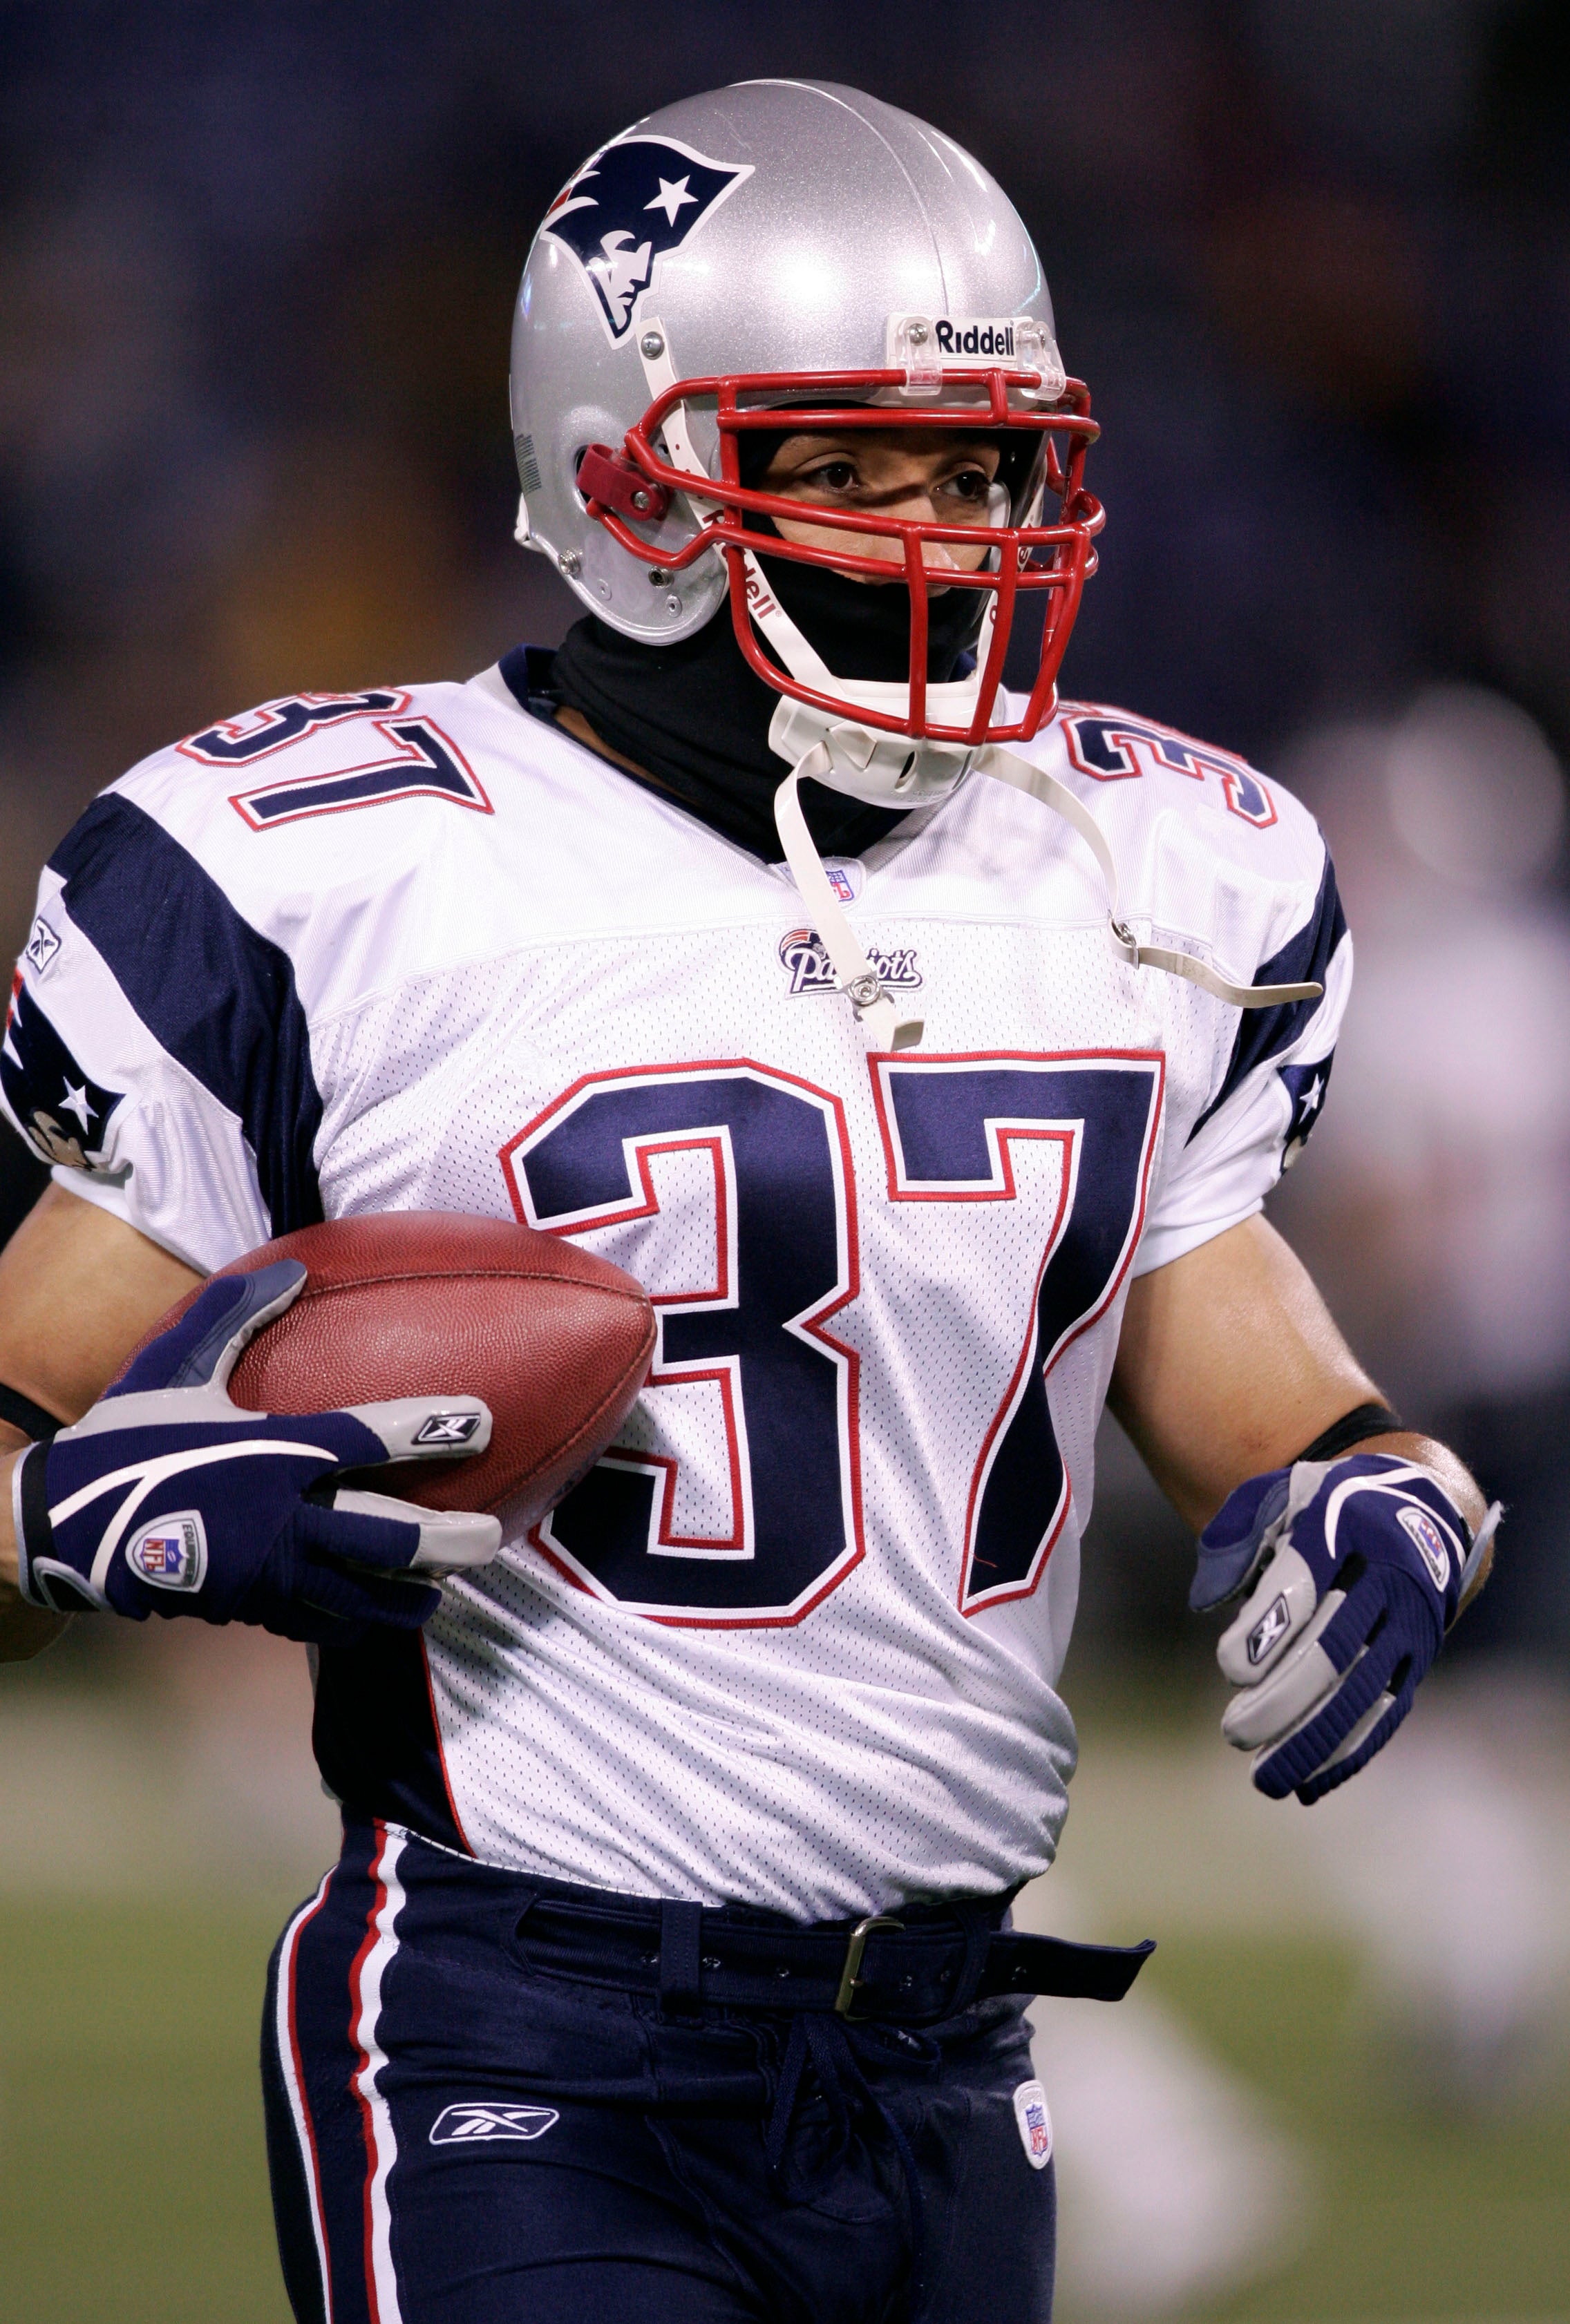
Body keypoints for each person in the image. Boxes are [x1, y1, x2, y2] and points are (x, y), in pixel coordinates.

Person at [0, 80, 1497, 2324]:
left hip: (952, 2049)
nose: (943, 523)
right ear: (629, 477)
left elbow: (1189, 1275)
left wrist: (1359, 1470)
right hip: (524, 2030)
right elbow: (28, 1397)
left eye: (980, 464)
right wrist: (81, 1507)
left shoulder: (1167, 864)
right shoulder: (326, 871)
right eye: (851, 462)